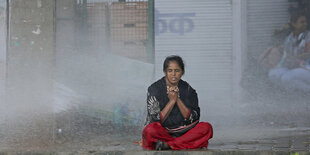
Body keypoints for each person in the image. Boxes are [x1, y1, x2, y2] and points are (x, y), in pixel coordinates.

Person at [142, 55, 213, 150]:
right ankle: (181, 144)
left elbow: (194, 119)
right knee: (149, 130)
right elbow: (155, 120)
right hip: (163, 133)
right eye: (170, 70)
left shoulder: (189, 90)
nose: (173, 74)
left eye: (177, 71)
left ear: (182, 72)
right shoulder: (154, 89)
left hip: (184, 132)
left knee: (206, 128)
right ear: (165, 72)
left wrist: (177, 100)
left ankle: (168, 145)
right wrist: (172, 101)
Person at [268, 11, 310, 92]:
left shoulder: (308, 36)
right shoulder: (289, 38)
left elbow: (308, 54)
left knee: (287, 78)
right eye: (302, 22)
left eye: (305, 22)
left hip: (306, 68)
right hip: (293, 67)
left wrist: (294, 58)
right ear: (294, 24)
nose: (305, 24)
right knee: (273, 74)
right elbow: (286, 53)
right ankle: (290, 96)